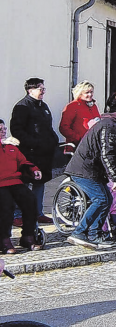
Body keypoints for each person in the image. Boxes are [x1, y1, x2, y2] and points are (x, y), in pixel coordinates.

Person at [63, 109, 116, 250]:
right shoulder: (109, 126)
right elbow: (107, 152)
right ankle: (79, 232)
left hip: (91, 169)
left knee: (107, 199)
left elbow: (112, 149)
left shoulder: (113, 126)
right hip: (83, 169)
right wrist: (115, 177)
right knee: (100, 199)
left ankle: (95, 233)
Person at [10, 78, 55, 226]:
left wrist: (53, 139)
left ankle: (38, 212)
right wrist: (33, 143)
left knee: (40, 181)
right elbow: (17, 130)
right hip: (28, 152)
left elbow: (47, 126)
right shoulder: (22, 107)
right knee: (23, 182)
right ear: (30, 90)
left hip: (43, 152)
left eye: (44, 88)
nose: (43, 91)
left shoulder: (43, 106)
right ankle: (17, 214)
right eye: (39, 88)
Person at [0, 119, 42, 252]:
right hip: (1, 183)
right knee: (6, 206)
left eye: (4, 129)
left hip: (15, 181)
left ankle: (28, 236)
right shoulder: (6, 143)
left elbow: (23, 161)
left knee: (30, 200)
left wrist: (34, 169)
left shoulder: (11, 147)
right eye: (0, 130)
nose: (3, 132)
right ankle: (4, 240)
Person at [60, 81, 102, 148]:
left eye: (91, 92)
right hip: (78, 146)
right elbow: (64, 127)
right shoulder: (72, 106)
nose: (90, 94)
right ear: (79, 93)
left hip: (93, 145)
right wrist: (78, 138)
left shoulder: (93, 106)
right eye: (87, 92)